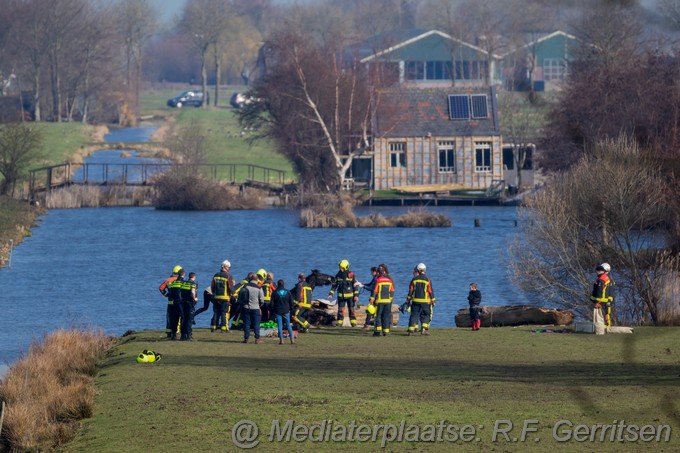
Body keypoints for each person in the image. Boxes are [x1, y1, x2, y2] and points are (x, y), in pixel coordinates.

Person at [406, 263, 435, 336]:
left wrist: (409, 299)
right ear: (424, 270)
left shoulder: (414, 279)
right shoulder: (427, 280)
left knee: (414, 315)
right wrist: (433, 300)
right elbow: (430, 291)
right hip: (425, 301)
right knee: (427, 314)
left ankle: (410, 331)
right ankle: (424, 329)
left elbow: (411, 290)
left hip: (415, 300)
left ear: (418, 270)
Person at [328, 259, 359, 327]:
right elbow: (334, 285)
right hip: (341, 296)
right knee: (340, 310)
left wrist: (356, 296)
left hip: (350, 297)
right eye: (340, 267)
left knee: (351, 310)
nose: (340, 269)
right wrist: (331, 294)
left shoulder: (351, 275)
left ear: (346, 267)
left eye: (341, 267)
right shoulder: (338, 275)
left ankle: (353, 323)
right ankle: (339, 323)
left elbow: (355, 285)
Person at [238, 272, 264, 344]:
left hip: (246, 307)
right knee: (256, 324)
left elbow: (241, 296)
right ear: (257, 280)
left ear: (250, 279)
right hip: (255, 308)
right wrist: (259, 305)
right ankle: (257, 339)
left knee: (246, 323)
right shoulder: (259, 288)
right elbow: (262, 300)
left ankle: (246, 339)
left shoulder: (245, 286)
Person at [369, 266, 394, 336]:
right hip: (388, 301)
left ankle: (377, 331)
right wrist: (391, 298)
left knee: (378, 316)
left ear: (378, 273)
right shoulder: (389, 281)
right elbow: (392, 290)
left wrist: (372, 299)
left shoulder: (378, 280)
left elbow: (375, 291)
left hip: (379, 301)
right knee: (386, 316)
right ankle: (386, 332)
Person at [211, 260, 234, 332]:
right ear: (226, 267)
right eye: (229, 267)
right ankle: (223, 328)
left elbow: (212, 286)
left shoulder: (215, 275)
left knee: (216, 312)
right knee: (224, 313)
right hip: (225, 298)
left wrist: (214, 293)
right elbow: (230, 287)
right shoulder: (228, 276)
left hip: (216, 297)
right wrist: (233, 294)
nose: (229, 269)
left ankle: (213, 327)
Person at [590, 263, 614, 330]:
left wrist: (598, 301)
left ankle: (602, 327)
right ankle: (607, 326)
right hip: (607, 300)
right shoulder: (610, 278)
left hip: (603, 300)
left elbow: (600, 291)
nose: (597, 272)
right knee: (607, 313)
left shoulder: (602, 279)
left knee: (603, 314)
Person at [271, 279, 295, 345]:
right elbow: (291, 302)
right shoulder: (288, 292)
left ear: (278, 284)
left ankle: (281, 340)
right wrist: (291, 308)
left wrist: (272, 310)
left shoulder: (275, 292)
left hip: (278, 311)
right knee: (288, 325)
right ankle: (292, 340)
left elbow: (272, 304)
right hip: (286, 311)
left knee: (280, 326)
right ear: (283, 284)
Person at [159, 265, 181, 338]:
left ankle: (169, 332)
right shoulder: (180, 280)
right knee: (178, 316)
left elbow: (161, 288)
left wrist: (166, 295)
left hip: (170, 301)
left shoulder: (168, 280)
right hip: (178, 301)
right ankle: (177, 331)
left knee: (169, 317)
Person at [167, 268, 185, 340]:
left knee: (174, 319)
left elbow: (170, 293)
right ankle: (183, 334)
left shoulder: (173, 283)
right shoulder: (183, 283)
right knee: (183, 318)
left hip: (173, 303)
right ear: (183, 274)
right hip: (181, 303)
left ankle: (173, 334)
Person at [179, 272, 198, 340]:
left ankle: (183, 335)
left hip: (183, 302)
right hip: (189, 303)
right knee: (189, 319)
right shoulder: (193, 283)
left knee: (183, 318)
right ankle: (189, 335)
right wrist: (195, 298)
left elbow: (180, 293)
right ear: (194, 277)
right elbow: (193, 292)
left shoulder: (184, 283)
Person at [361, 266, 379, 331]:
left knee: (370, 311)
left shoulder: (376, 278)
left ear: (375, 272)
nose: (371, 273)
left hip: (374, 298)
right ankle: (368, 325)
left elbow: (372, 288)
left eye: (371, 272)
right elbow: (370, 284)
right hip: (375, 297)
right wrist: (363, 285)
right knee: (372, 311)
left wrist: (364, 287)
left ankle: (367, 325)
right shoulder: (375, 278)